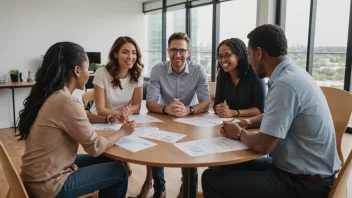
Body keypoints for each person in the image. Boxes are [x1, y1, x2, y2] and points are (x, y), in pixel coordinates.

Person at [202, 24, 341, 198]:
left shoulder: (284, 84)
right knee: (219, 165)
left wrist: (239, 133)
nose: (249, 60)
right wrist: (248, 122)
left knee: (211, 179)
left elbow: (263, 146)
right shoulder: (293, 74)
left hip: (303, 182)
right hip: (298, 170)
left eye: (249, 54)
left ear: (258, 53)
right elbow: (275, 115)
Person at [18, 42, 137, 198]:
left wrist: (108, 118)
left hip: (38, 176)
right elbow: (95, 147)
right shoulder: (66, 102)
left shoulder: (53, 94)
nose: (89, 73)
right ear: (77, 70)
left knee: (107, 158)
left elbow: (82, 115)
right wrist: (123, 132)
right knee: (119, 171)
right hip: (50, 186)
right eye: (88, 68)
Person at [144, 32, 210, 198]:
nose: (177, 55)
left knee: (190, 154)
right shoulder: (158, 70)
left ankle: (188, 189)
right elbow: (150, 102)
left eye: (182, 50)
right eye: (173, 50)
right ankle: (160, 189)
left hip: (190, 119)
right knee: (156, 149)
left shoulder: (198, 70)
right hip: (163, 116)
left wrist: (188, 110)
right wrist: (166, 109)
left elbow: (206, 102)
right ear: (168, 51)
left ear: (189, 52)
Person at [90, 36, 144, 117]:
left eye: (134, 53)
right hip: (100, 120)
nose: (130, 57)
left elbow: (137, 106)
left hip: (122, 119)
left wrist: (126, 111)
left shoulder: (137, 75)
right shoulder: (101, 73)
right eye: (125, 52)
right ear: (115, 54)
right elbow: (100, 110)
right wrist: (119, 113)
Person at [214, 38, 265, 118]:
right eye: (220, 56)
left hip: (253, 123)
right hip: (233, 121)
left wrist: (234, 112)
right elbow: (217, 102)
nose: (223, 60)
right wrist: (219, 109)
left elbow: (260, 109)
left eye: (227, 55)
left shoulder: (254, 72)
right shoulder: (222, 75)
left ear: (239, 56)